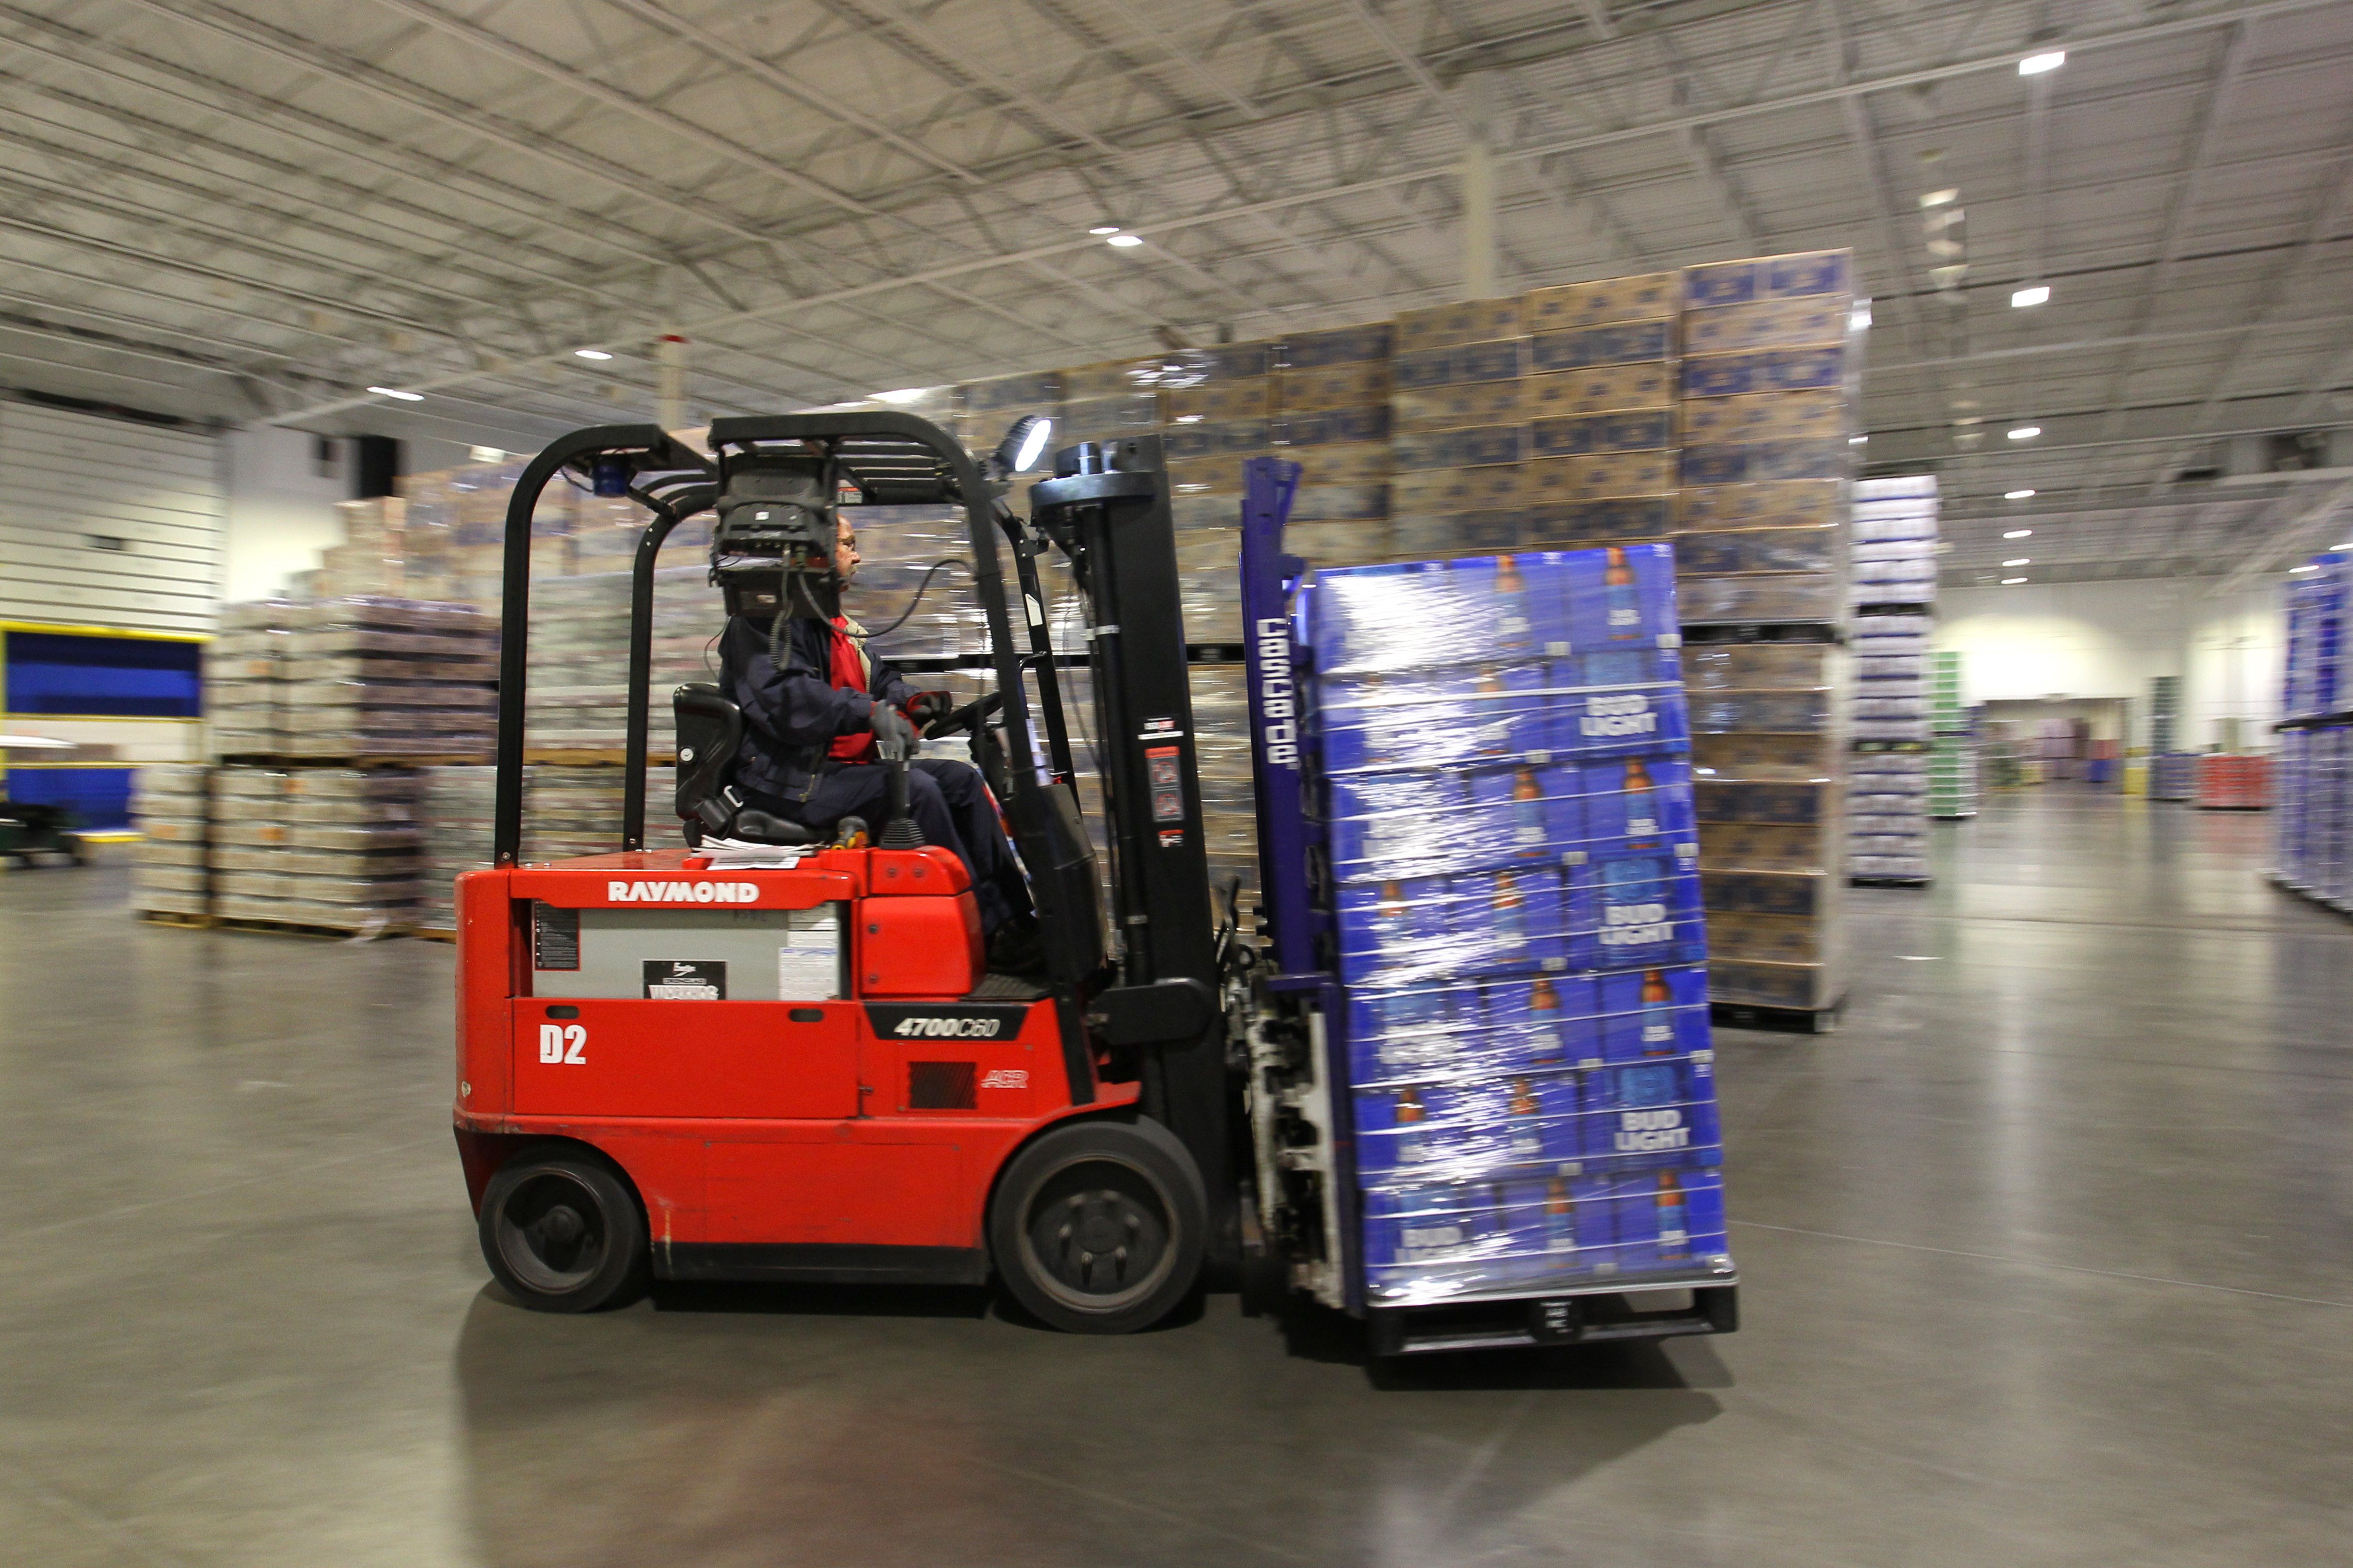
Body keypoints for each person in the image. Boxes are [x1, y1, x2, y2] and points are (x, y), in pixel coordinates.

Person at [717, 513, 1042, 972]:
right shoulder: (764, 621)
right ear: (814, 553)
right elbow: (789, 702)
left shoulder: (837, 625)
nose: (857, 555)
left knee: (961, 781)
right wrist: (869, 713)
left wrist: (914, 702)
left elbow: (880, 680)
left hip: (835, 772)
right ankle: (982, 936)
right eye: (848, 544)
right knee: (919, 793)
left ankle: (1015, 919)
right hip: (788, 781)